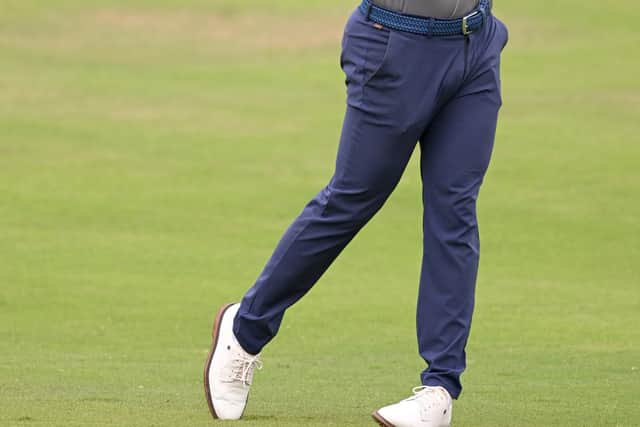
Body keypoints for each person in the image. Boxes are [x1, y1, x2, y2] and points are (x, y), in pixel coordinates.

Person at [204, 0, 508, 425]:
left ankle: (440, 388)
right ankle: (245, 331)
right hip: (394, 44)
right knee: (352, 198)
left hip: (474, 44)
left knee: (454, 214)